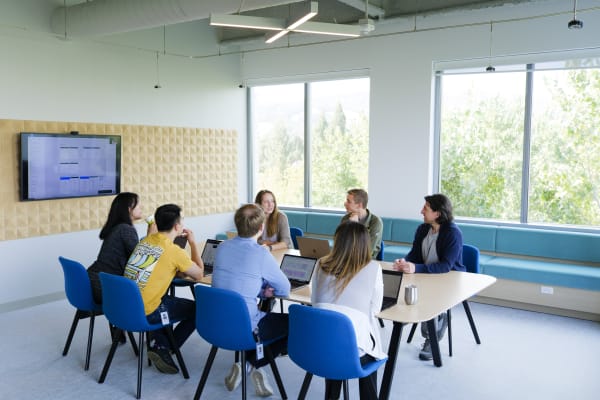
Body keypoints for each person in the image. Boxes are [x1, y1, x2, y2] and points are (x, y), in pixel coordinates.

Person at [212, 203, 291, 397]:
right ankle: (252, 362)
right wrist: (267, 292)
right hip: (245, 325)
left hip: (214, 322)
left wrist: (261, 291)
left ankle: (246, 364)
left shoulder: (222, 247)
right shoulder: (260, 253)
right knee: (294, 324)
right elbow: (285, 288)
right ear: (261, 228)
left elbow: (238, 281)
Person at [123, 203, 204, 374]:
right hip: (145, 312)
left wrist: (178, 270)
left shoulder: (144, 241)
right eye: (181, 222)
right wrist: (193, 243)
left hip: (125, 307)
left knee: (163, 299)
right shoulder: (173, 251)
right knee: (199, 309)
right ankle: (164, 347)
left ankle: (158, 341)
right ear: (176, 226)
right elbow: (199, 274)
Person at [311, 221, 386, 400]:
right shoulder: (374, 268)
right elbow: (374, 309)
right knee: (365, 348)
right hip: (354, 353)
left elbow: (315, 303)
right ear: (364, 244)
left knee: (333, 337)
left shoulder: (321, 264)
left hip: (319, 346)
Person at [392, 193, 465, 361]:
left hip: (449, 278)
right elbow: (415, 254)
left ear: (437, 213)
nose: (421, 211)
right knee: (402, 280)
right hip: (427, 273)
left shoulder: (453, 233)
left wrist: (416, 267)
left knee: (432, 297)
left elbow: (446, 266)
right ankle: (409, 314)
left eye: (425, 208)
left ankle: (431, 338)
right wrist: (405, 262)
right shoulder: (423, 229)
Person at [87, 192, 154, 304]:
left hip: (93, 281)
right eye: (137, 205)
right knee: (151, 294)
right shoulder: (126, 229)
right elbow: (140, 263)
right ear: (129, 209)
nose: (140, 208)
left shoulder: (117, 227)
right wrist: (151, 237)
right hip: (104, 287)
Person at [340, 188, 383, 259]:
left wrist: (354, 226)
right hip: (347, 259)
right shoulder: (345, 219)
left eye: (348, 201)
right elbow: (341, 245)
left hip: (366, 261)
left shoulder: (376, 222)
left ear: (359, 205)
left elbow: (367, 251)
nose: (345, 203)